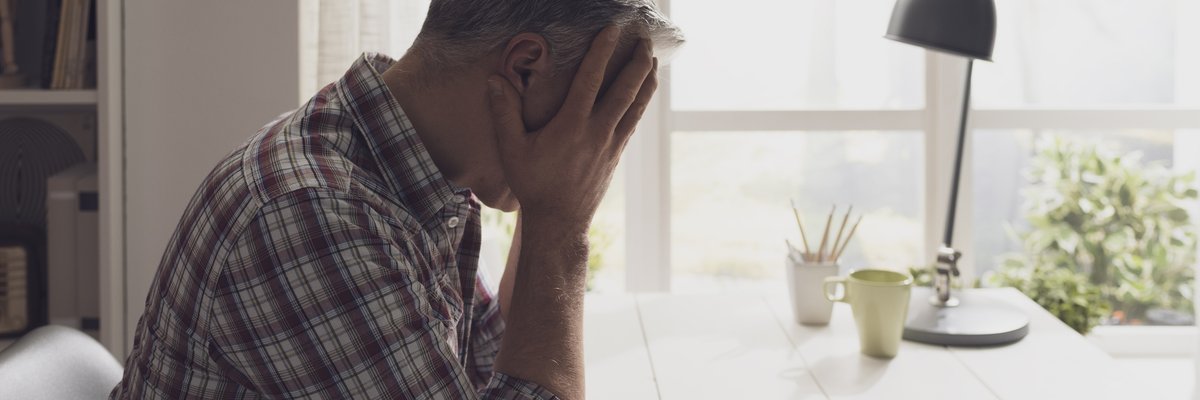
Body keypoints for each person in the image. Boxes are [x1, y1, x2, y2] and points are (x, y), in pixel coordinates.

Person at [110, 1, 684, 399]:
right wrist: (562, 220)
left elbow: (492, 364)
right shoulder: (313, 217)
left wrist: (545, 211)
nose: (602, 142)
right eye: (606, 106)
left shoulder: (413, 176)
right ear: (525, 67)